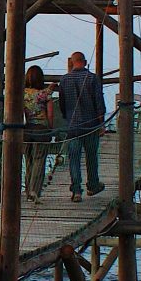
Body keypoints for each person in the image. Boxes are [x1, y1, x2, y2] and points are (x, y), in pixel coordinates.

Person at [59, 51, 106, 202]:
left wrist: (68, 118)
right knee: (91, 157)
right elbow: (99, 103)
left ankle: (77, 190)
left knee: (74, 158)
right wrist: (101, 124)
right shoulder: (92, 78)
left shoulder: (64, 80)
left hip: (73, 126)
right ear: (85, 62)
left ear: (72, 62)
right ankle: (92, 184)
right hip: (90, 124)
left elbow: (62, 103)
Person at [23, 65, 54, 202]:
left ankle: (28, 189)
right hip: (41, 129)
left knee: (28, 160)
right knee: (39, 160)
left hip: (25, 129)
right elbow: (51, 114)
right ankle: (35, 190)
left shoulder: (22, 93)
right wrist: (51, 129)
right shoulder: (45, 95)